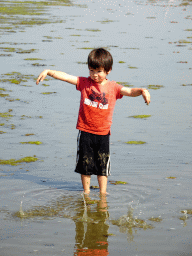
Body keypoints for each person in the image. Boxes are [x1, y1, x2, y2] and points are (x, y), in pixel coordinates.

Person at [36, 48, 150, 195]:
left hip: (103, 134)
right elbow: (65, 77)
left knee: (102, 166)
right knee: (85, 165)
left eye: (99, 71)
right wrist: (49, 72)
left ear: (108, 70)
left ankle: (103, 193)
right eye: (92, 71)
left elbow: (129, 91)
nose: (95, 75)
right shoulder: (84, 83)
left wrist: (142, 91)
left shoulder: (113, 87)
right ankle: (86, 192)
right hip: (85, 131)